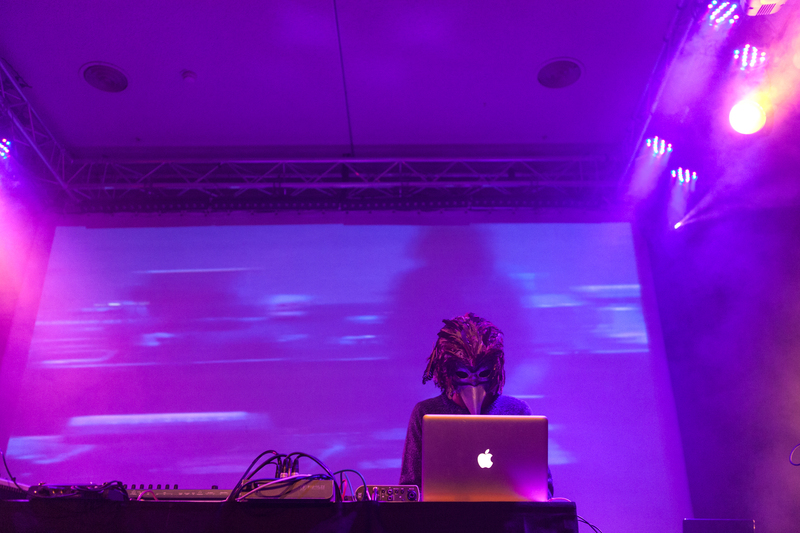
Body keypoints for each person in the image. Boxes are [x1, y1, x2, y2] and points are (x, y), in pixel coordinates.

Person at [399, 312, 553, 497]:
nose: (474, 384)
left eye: (483, 373)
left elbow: (543, 489)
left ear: (495, 368)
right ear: (447, 371)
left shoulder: (517, 411)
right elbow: (410, 488)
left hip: (506, 515)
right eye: (463, 374)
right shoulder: (426, 412)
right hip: (445, 515)